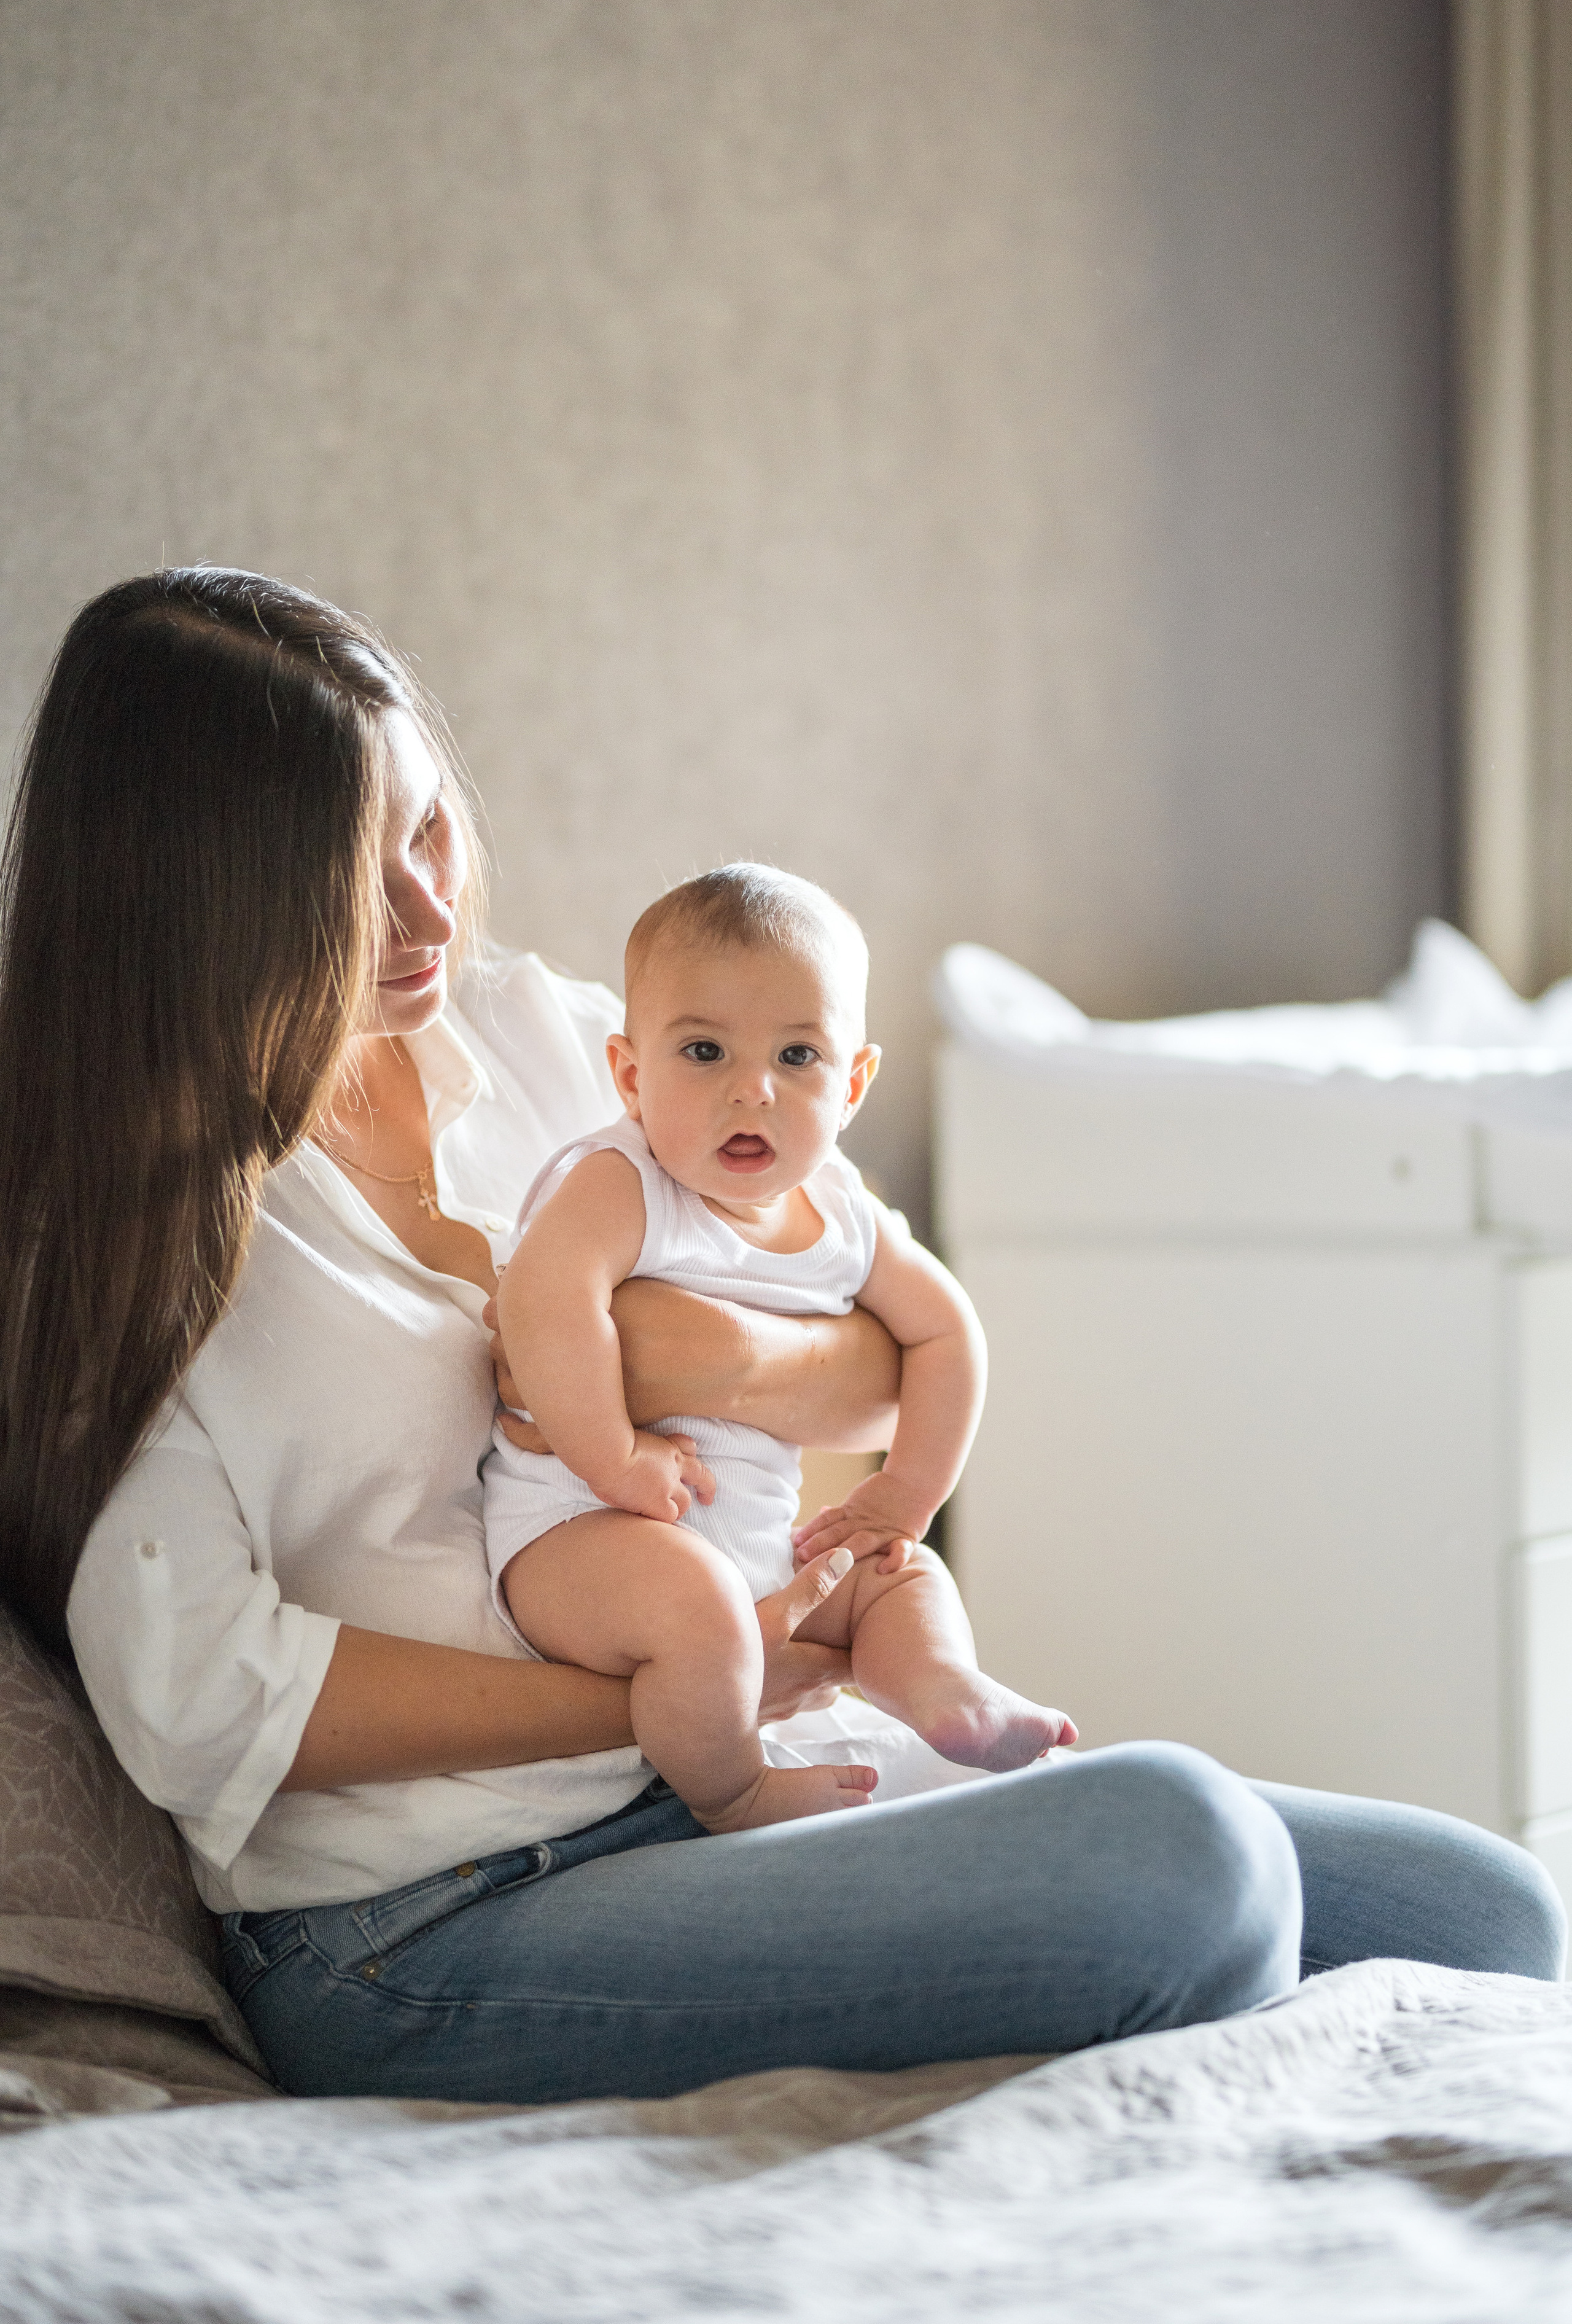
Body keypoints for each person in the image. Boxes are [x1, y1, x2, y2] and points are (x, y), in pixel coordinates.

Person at [0, 568, 1560, 2111]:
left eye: (427, 827)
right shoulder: (121, 1232)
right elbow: (201, 1706)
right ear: (197, 887)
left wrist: (699, 1363)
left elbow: (884, 1350)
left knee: (1486, 1910)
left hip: (716, 1787)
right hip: (425, 1920)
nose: (423, 908)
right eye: (347, 865)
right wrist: (689, 1693)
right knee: (1190, 1861)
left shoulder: (548, 1036)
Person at [486, 862, 1075, 1833]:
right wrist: (614, 1457)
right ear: (632, 1076)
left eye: (797, 1056)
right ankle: (734, 1790)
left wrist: (904, 1495)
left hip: (754, 1548)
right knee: (700, 1609)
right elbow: (543, 1305)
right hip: (577, 1535)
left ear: (853, 1082)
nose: (752, 1090)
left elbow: (946, 1331)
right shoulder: (619, 1183)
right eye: (706, 1051)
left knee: (899, 1576)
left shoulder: (843, 1210)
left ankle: (942, 1695)